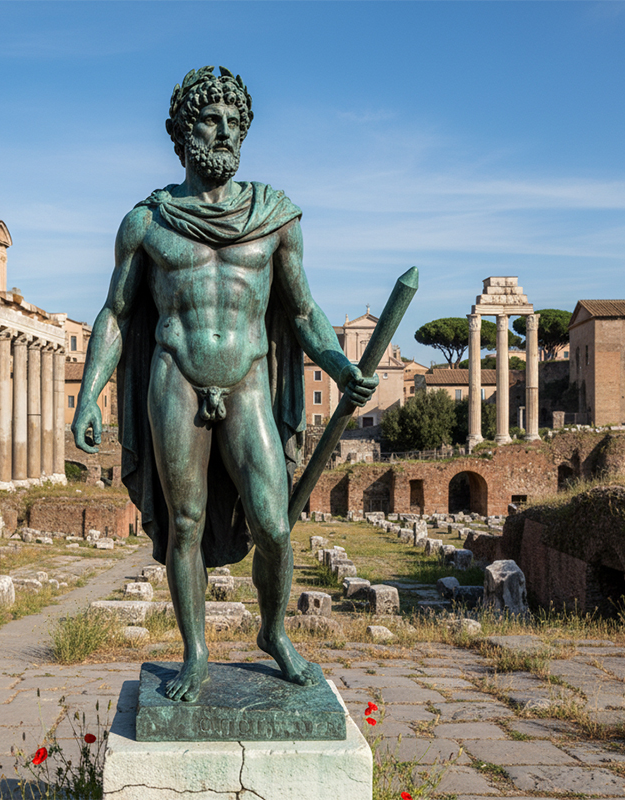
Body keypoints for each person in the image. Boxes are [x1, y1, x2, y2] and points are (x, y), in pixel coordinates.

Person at [72, 66, 377, 702]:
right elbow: (116, 315)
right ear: (182, 133)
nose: (226, 130)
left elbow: (303, 313)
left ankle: (273, 633)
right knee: (184, 522)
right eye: (212, 119)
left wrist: (342, 367)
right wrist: (87, 396)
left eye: (235, 120)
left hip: (247, 382)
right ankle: (196, 652)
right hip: (174, 377)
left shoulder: (276, 217)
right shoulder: (146, 222)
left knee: (274, 524)